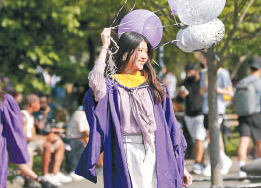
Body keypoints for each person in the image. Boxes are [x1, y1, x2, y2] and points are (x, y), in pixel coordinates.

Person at [76, 28, 192, 188]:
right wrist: (105, 46)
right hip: (127, 150)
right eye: (139, 50)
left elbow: (171, 128)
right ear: (124, 53)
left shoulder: (155, 87)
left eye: (145, 51)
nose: (144, 56)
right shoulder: (112, 86)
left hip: (157, 148)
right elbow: (95, 81)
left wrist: (181, 167)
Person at [235, 57, 261, 177]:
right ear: (260, 68)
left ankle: (241, 172)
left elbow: (235, 100)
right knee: (260, 144)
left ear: (249, 68)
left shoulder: (242, 82)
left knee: (243, 144)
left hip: (243, 116)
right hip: (258, 115)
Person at [22, 94, 72, 186]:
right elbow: (23, 137)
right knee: (48, 143)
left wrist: (48, 136)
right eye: (38, 103)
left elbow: (34, 135)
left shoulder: (31, 117)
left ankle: (55, 173)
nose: (40, 105)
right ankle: (45, 175)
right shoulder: (23, 116)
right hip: (25, 144)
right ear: (32, 104)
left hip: (33, 142)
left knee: (59, 142)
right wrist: (46, 138)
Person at [200, 64, 234, 176]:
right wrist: (205, 88)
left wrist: (215, 88)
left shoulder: (222, 73)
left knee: (216, 136)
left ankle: (219, 161)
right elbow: (201, 92)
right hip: (206, 108)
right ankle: (216, 161)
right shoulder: (204, 72)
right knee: (209, 137)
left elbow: (230, 92)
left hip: (218, 108)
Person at [178, 62, 207, 175]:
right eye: (188, 72)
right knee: (197, 139)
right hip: (189, 115)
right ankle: (201, 163)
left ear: (196, 71)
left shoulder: (202, 81)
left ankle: (198, 164)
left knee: (199, 139)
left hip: (200, 114)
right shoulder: (186, 82)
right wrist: (181, 95)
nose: (189, 74)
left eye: (191, 72)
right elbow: (179, 100)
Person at [63, 105, 90, 180]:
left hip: (79, 138)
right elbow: (85, 132)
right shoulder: (81, 114)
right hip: (72, 139)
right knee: (79, 143)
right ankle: (73, 170)